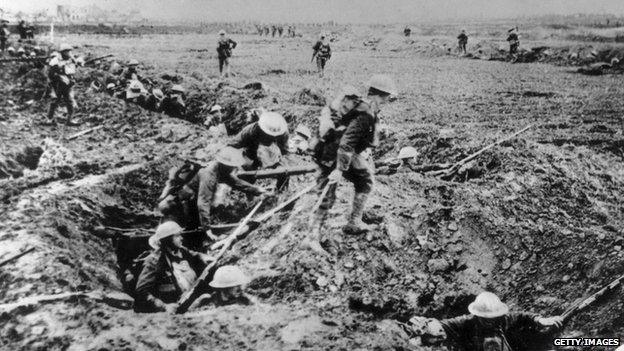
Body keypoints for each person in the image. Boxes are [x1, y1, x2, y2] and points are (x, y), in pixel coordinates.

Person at [304, 75, 397, 254]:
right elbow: (347, 142)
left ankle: (354, 222)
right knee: (327, 196)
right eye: (385, 97)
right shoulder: (365, 114)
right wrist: (339, 169)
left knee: (365, 179)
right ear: (378, 95)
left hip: (345, 152)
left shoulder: (368, 111)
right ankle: (311, 238)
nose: (387, 100)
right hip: (331, 154)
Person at [157, 146, 269, 249]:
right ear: (226, 165)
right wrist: (207, 229)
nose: (234, 168)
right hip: (180, 207)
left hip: (190, 203)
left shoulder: (219, 168)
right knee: (182, 234)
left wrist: (257, 190)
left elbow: (235, 182)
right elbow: (203, 202)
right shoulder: (209, 175)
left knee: (194, 231)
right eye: (233, 166)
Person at [409, 291, 564, 351]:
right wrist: (425, 325)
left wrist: (541, 320)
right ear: (478, 316)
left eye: (493, 318)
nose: (490, 322)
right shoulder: (466, 322)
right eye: (486, 319)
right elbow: (441, 325)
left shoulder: (504, 319)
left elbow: (524, 317)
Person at [134, 221, 213, 313]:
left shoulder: (180, 250)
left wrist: (205, 257)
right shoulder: (154, 261)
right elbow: (141, 291)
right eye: (177, 236)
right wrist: (164, 306)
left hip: (188, 295)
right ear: (167, 240)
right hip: (172, 305)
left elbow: (194, 254)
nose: (181, 238)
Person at [229, 111, 290, 189]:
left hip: (273, 155)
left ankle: (281, 193)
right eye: (268, 135)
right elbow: (232, 145)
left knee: (284, 171)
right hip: (252, 152)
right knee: (246, 172)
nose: (270, 137)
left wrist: (280, 165)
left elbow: (285, 152)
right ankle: (248, 192)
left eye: (272, 136)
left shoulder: (283, 133)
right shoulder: (250, 131)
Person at [46, 43, 82, 126]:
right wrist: (59, 77)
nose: (69, 53)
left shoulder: (71, 59)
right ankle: (49, 119)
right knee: (55, 101)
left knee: (69, 101)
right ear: (62, 52)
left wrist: (70, 78)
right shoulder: (55, 61)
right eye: (67, 52)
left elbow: (73, 69)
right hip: (57, 84)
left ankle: (70, 119)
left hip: (68, 83)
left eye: (69, 51)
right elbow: (51, 73)